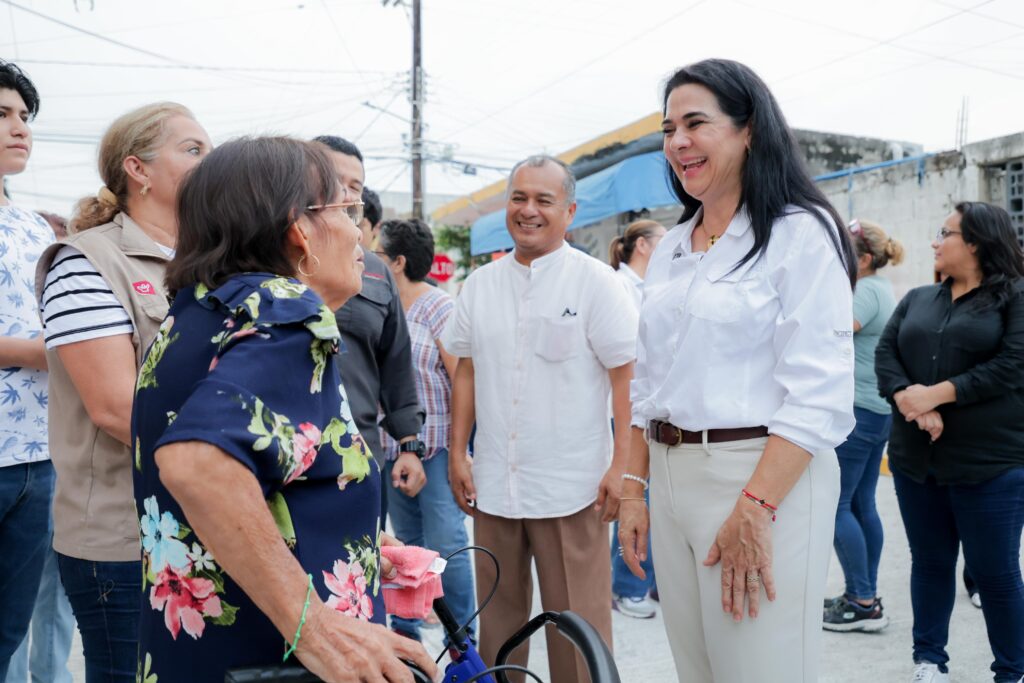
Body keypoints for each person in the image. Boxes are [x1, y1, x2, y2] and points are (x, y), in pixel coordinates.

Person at [130, 136, 436, 682]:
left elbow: (265, 476)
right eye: (346, 209)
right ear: (300, 230)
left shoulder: (200, 311)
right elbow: (197, 464)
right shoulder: (286, 311)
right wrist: (313, 626)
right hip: (271, 660)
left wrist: (351, 537)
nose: (358, 232)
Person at [618, 58, 857, 683]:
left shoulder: (799, 233)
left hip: (758, 477)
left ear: (749, 130)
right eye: (668, 129)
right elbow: (649, 386)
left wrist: (755, 507)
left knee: (761, 670)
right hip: (671, 476)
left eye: (696, 123)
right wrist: (635, 490)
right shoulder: (673, 247)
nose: (678, 142)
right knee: (697, 671)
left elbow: (819, 392)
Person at [443, 155, 637, 682]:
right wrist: (459, 453)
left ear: (569, 212)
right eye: (519, 197)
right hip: (495, 485)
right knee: (498, 627)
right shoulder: (480, 285)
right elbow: (466, 370)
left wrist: (621, 467)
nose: (528, 210)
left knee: (577, 628)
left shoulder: (596, 283)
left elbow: (627, 378)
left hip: (572, 487)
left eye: (543, 200)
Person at [35, 102, 211, 682]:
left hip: (206, 519)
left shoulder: (210, 260)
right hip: (124, 537)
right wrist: (237, 455)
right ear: (138, 170)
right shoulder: (84, 262)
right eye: (193, 149)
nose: (210, 162)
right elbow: (116, 409)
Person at [875, 201, 1024, 683]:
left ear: (977, 242)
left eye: (946, 233)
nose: (935, 242)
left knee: (995, 572)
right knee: (931, 563)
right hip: (917, 460)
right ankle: (929, 661)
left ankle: (1012, 671)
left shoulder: (1015, 296)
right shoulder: (919, 298)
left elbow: (1013, 365)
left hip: (990, 464)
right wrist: (909, 400)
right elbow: (886, 353)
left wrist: (936, 394)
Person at [312, 136, 425, 523]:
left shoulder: (375, 270)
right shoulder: (273, 257)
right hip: (293, 460)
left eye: (354, 186)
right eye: (333, 180)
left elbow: (396, 362)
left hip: (362, 455)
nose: (345, 193)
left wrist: (409, 444)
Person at [375, 218, 477, 642]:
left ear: (398, 262)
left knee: (448, 545)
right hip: (391, 448)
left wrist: (462, 452)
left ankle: (463, 642)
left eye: (378, 254)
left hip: (436, 450)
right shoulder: (381, 305)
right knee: (405, 548)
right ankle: (406, 638)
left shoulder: (439, 308)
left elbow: (463, 382)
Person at [0, 59, 58, 681]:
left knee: (9, 632)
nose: (20, 128)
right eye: (2, 115)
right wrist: (41, 352)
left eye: (24, 116)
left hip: (38, 457)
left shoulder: (33, 225)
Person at [823, 219, 904, 633]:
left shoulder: (866, 292)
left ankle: (862, 600)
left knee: (835, 506)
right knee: (861, 504)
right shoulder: (878, 288)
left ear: (866, 259)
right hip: (874, 411)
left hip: (858, 412)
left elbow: (832, 331)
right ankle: (864, 595)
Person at [607, 218, 666, 619]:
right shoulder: (619, 286)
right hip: (629, 406)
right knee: (634, 492)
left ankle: (653, 580)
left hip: (654, 404)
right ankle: (629, 586)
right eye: (663, 240)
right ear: (642, 245)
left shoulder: (651, 285)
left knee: (657, 497)